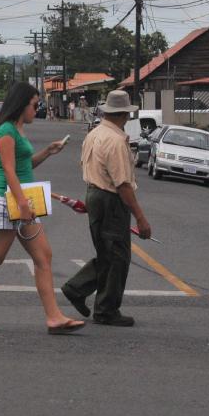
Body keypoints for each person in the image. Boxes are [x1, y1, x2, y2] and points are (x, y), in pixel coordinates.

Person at [0, 82, 83, 335]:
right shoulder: (5, 131)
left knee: (43, 256)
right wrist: (23, 204)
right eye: (35, 105)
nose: (38, 109)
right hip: (9, 201)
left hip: (22, 200)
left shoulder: (18, 130)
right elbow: (9, 171)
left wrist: (48, 151)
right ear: (22, 104)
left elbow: (24, 167)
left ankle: (54, 317)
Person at [62, 89, 152, 328]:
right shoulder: (115, 140)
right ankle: (106, 309)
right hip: (110, 199)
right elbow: (122, 184)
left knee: (107, 252)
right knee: (118, 255)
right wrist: (140, 218)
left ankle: (77, 289)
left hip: (94, 193)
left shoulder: (95, 133)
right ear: (124, 114)